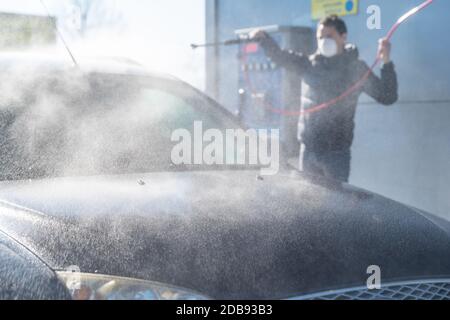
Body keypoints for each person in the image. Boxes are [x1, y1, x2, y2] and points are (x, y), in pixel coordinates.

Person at [249, 15, 398, 183]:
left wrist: (386, 61)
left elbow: (387, 96)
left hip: (336, 154)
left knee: (336, 204)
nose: (323, 41)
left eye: (329, 36)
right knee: (307, 201)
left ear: (343, 37)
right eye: (320, 37)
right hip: (308, 150)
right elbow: (280, 56)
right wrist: (264, 39)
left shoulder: (356, 69)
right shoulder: (309, 64)